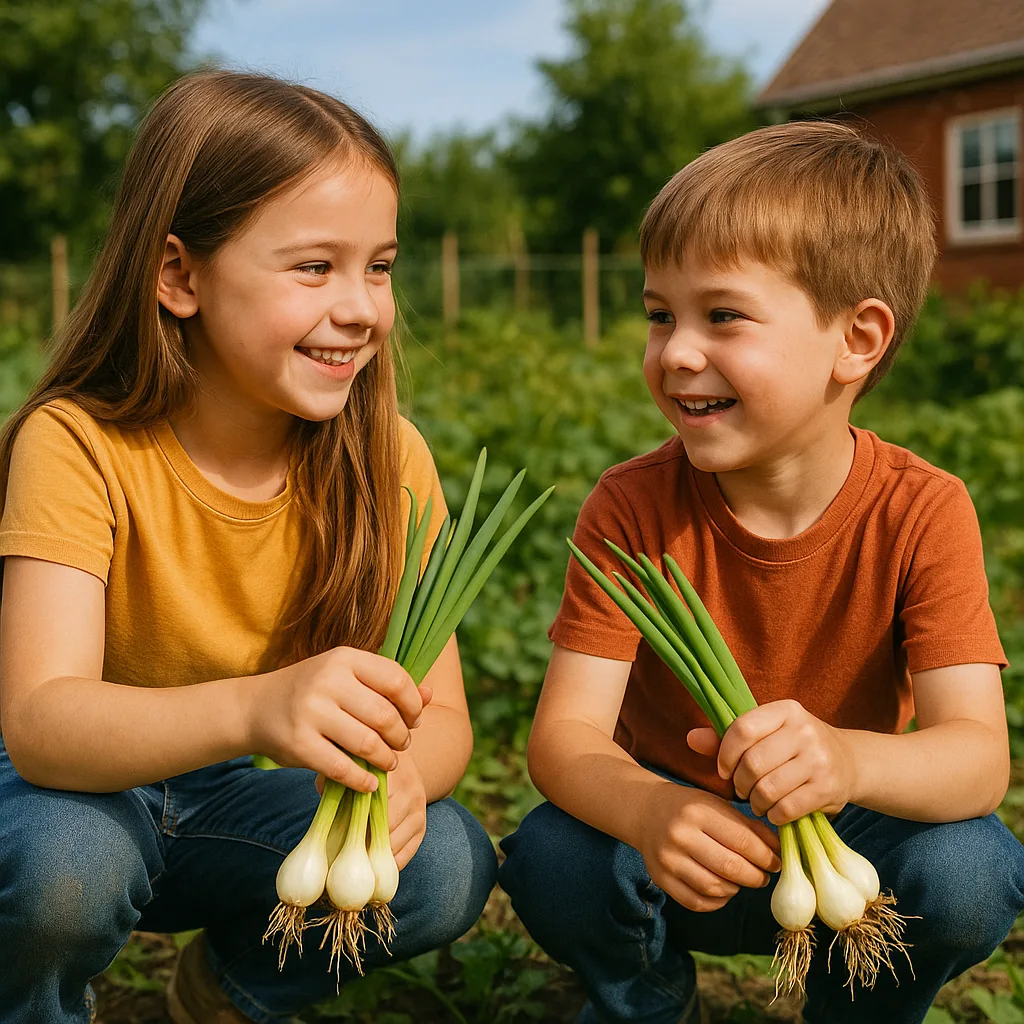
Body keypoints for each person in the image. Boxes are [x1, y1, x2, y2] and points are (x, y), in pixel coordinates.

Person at [498, 121, 1024, 1024]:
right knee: (552, 858)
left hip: (846, 850)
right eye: (659, 314)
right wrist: (648, 811)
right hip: (675, 850)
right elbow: (565, 738)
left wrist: (844, 758)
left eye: (723, 315)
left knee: (971, 869)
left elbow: (976, 761)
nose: (677, 353)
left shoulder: (923, 509)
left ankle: (856, 1003)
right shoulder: (631, 505)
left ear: (856, 341)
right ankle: (651, 999)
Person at [0, 70, 496, 1024]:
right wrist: (260, 708)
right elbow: (42, 723)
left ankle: (228, 995)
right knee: (67, 870)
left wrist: (405, 777)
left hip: (222, 799)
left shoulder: (386, 459)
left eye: (379, 267)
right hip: (61, 794)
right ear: (180, 275)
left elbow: (443, 717)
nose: (360, 308)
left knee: (443, 863)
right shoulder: (77, 443)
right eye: (314, 268)